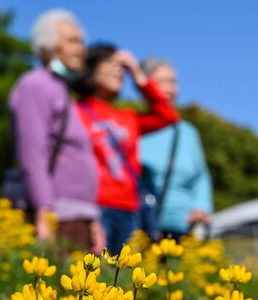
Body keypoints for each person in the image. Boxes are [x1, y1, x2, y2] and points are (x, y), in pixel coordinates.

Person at [8, 10, 104, 253]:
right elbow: (32, 151)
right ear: (48, 48)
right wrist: (43, 210)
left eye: (81, 41)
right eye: (72, 41)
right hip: (57, 214)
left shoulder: (61, 90)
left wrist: (92, 217)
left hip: (77, 212)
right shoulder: (36, 85)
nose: (81, 49)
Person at [74, 44, 179, 255]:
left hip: (130, 208)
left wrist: (138, 75)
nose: (118, 70)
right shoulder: (76, 111)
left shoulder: (128, 118)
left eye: (121, 66)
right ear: (91, 69)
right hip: (94, 206)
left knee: (122, 280)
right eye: (110, 62)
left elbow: (168, 115)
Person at [139, 58, 213, 239]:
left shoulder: (187, 132)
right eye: (161, 82)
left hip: (186, 227)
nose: (170, 89)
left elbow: (200, 177)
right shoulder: (136, 127)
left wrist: (201, 208)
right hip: (143, 228)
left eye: (172, 81)